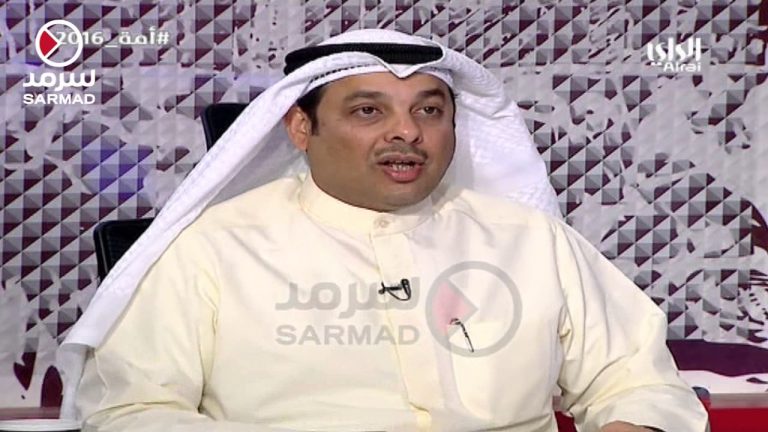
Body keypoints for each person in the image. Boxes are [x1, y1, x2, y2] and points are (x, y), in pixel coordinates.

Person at [64, 30, 708, 431]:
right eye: (369, 111)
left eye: (429, 110)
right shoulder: (211, 248)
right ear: (301, 128)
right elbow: (132, 412)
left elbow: (639, 382)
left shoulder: (530, 240)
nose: (407, 132)